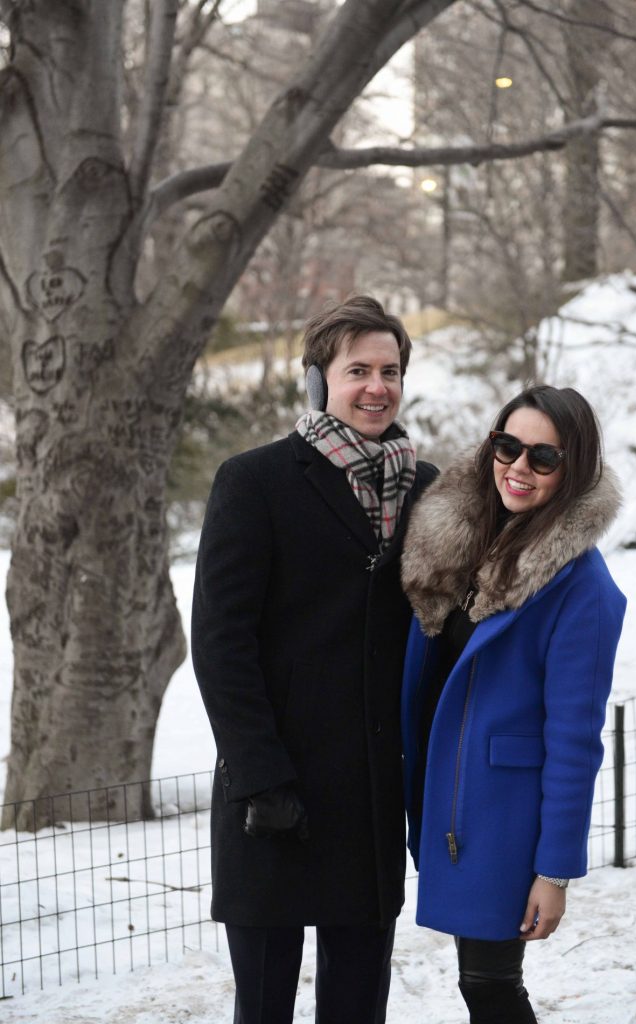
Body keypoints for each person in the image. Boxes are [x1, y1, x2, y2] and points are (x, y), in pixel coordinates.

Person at [191, 295, 437, 1024]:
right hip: (274, 793)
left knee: (358, 1006)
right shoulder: (254, 481)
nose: (376, 386)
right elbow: (220, 641)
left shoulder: (426, 491)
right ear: (317, 379)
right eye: (356, 368)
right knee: (263, 1004)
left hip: (368, 800)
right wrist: (260, 777)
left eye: (389, 370)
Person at [400, 384, 627, 1024]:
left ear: (573, 469)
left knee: (491, 985)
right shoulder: (460, 541)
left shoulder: (583, 587)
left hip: (504, 817)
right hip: (442, 799)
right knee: (482, 982)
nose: (518, 469)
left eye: (543, 459)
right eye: (507, 447)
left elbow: (575, 742)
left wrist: (554, 872)